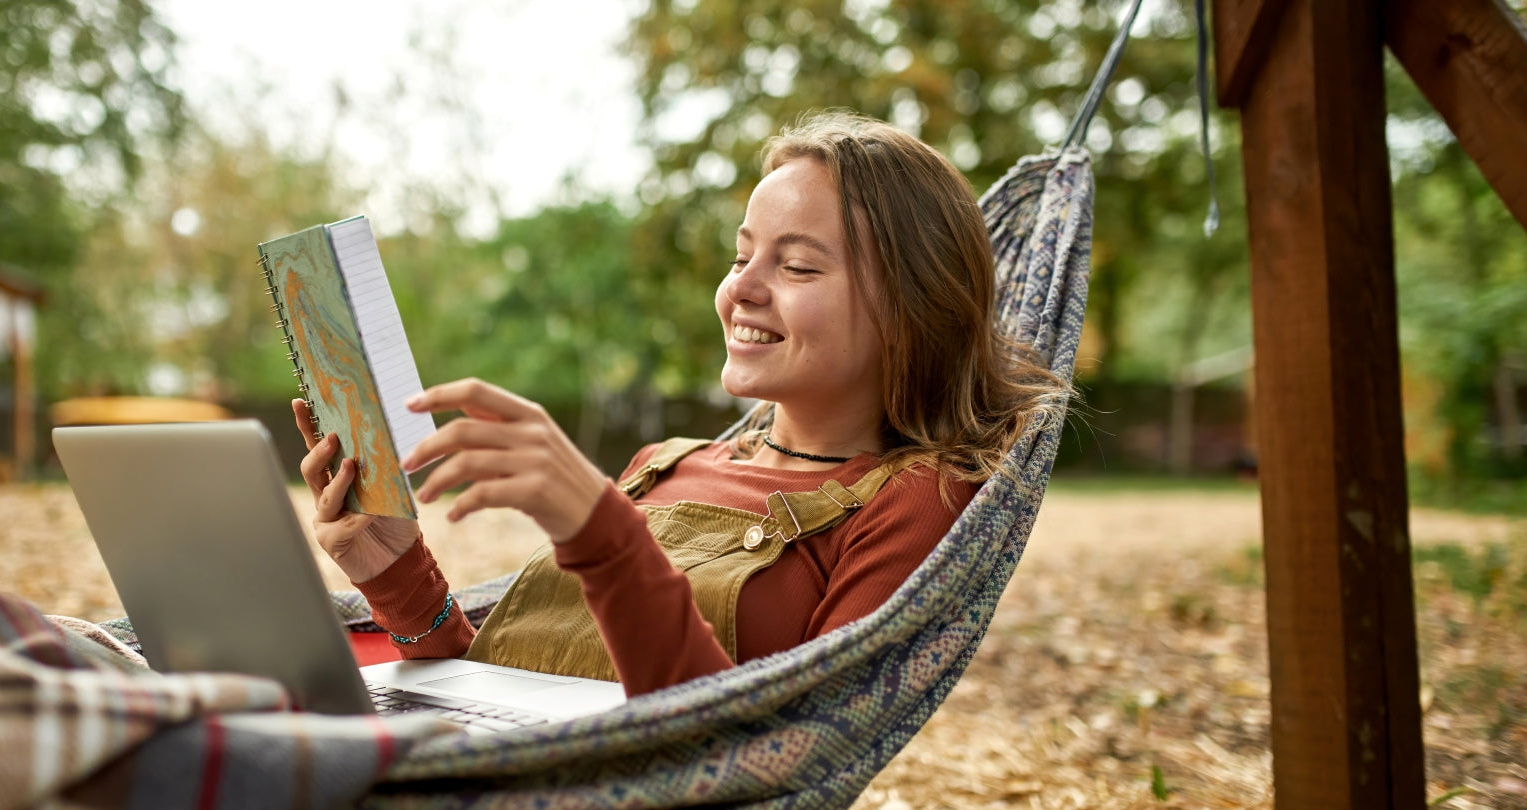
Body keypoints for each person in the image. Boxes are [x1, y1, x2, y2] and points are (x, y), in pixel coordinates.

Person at [291, 111, 1063, 698]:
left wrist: (601, 531)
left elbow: (765, 760)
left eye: (795, 265)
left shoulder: (912, 499)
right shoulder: (665, 466)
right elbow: (500, 697)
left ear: (910, 309)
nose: (741, 288)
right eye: (741, 254)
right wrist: (389, 568)